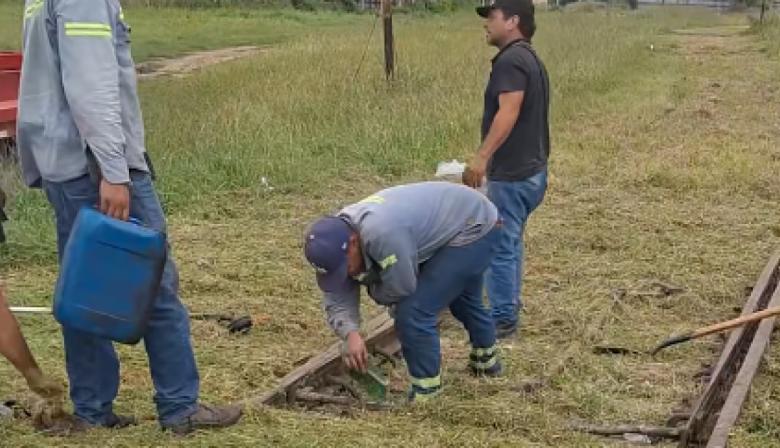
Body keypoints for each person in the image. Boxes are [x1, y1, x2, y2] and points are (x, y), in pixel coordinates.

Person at [17, 0, 241, 434]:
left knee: (83, 289)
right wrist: (115, 173)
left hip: (63, 165)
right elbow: (91, 87)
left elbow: (40, 85)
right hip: (96, 167)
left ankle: (92, 411)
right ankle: (180, 408)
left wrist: (38, 164)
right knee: (154, 281)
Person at [304, 182, 502, 402]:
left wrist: (374, 289)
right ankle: (487, 363)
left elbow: (402, 287)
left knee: (413, 311)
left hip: (475, 226)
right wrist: (350, 334)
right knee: (460, 297)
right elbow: (338, 294)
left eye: (345, 267)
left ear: (352, 243)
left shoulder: (382, 233)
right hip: (457, 218)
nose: (346, 274)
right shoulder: (336, 238)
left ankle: (427, 395)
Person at [464, 0, 551, 339]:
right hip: (532, 171)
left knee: (499, 245)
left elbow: (509, 111)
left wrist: (482, 156)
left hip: (513, 175)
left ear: (513, 21)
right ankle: (509, 304)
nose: (487, 23)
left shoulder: (512, 61)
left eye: (493, 17)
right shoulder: (528, 57)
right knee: (511, 242)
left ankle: (502, 321)